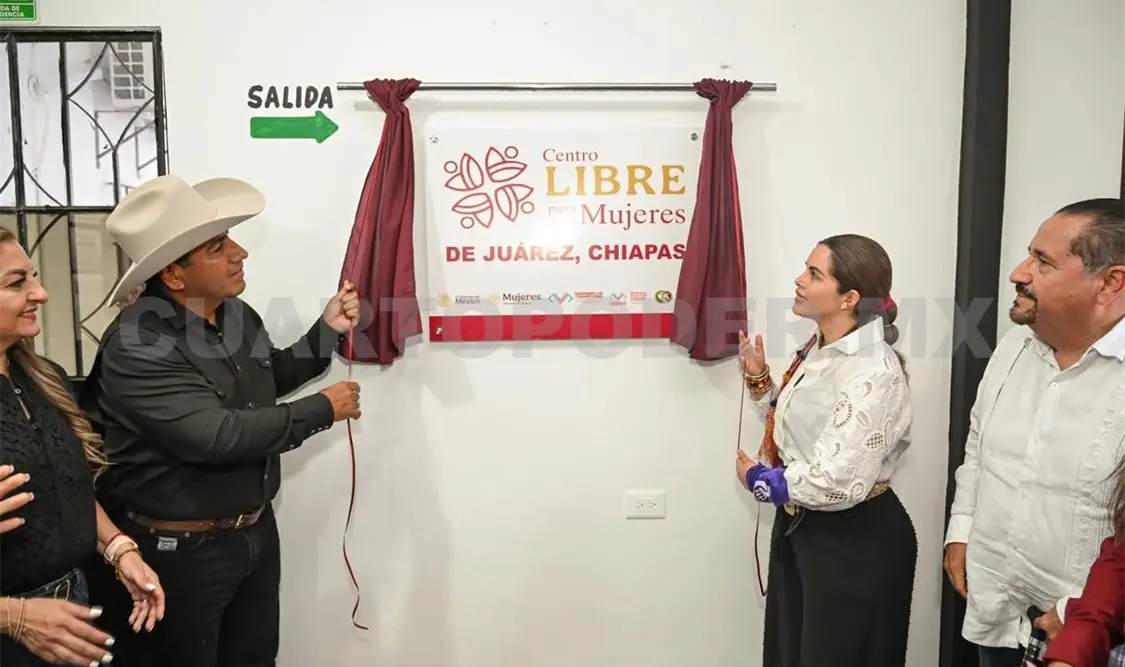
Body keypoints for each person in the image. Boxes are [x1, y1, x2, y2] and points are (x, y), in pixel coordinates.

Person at [78, 174, 363, 667]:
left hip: (251, 537)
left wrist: (326, 331)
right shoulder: (137, 344)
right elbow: (215, 434)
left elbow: (265, 381)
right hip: (178, 553)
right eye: (218, 247)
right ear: (174, 275)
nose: (239, 253)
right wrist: (322, 409)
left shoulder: (235, 315)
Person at [943, 198, 1125, 667]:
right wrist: (961, 529)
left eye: (1043, 262)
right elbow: (979, 446)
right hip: (997, 608)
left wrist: (1082, 615)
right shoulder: (1015, 347)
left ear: (1110, 283)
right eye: (1029, 255)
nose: (1018, 273)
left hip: (1085, 635)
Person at [736, 233, 917, 667]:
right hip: (808, 530)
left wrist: (760, 481)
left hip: (855, 542)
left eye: (814, 274)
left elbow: (837, 479)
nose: (799, 280)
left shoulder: (873, 369)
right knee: (796, 652)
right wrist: (761, 382)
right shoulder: (820, 350)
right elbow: (807, 431)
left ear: (849, 298)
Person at [0, 227, 166, 666]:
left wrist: (119, 548)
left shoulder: (44, 378)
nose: (41, 294)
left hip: (72, 607)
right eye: (16, 283)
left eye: (34, 278)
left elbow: (65, 488)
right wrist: (15, 617)